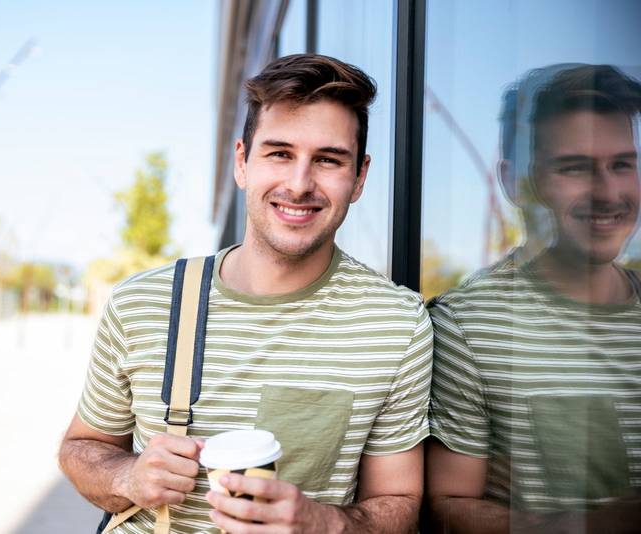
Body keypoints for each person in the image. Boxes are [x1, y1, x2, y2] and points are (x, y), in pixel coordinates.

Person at [59, 53, 433, 533]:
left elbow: (399, 501)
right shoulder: (142, 304)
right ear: (242, 162)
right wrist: (127, 474)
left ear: (359, 177)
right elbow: (81, 448)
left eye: (328, 160)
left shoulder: (396, 325)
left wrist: (320, 524)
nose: (299, 185)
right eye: (279, 153)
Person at [425, 64, 641, 533]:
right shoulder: (468, 324)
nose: (609, 193)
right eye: (575, 168)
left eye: (623, 164)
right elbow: (447, 505)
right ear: (512, 182)